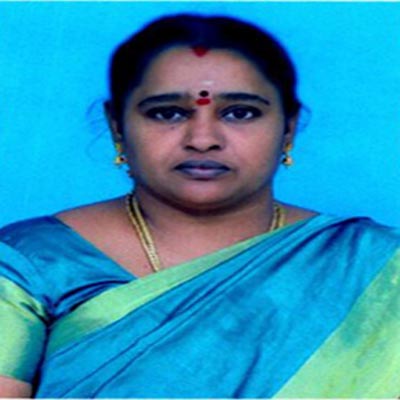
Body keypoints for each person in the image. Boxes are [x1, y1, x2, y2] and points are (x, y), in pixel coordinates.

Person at [0, 13, 399, 398]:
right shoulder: (29, 263)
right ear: (117, 126)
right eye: (167, 113)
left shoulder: (376, 266)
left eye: (240, 113)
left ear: (288, 127)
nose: (203, 139)